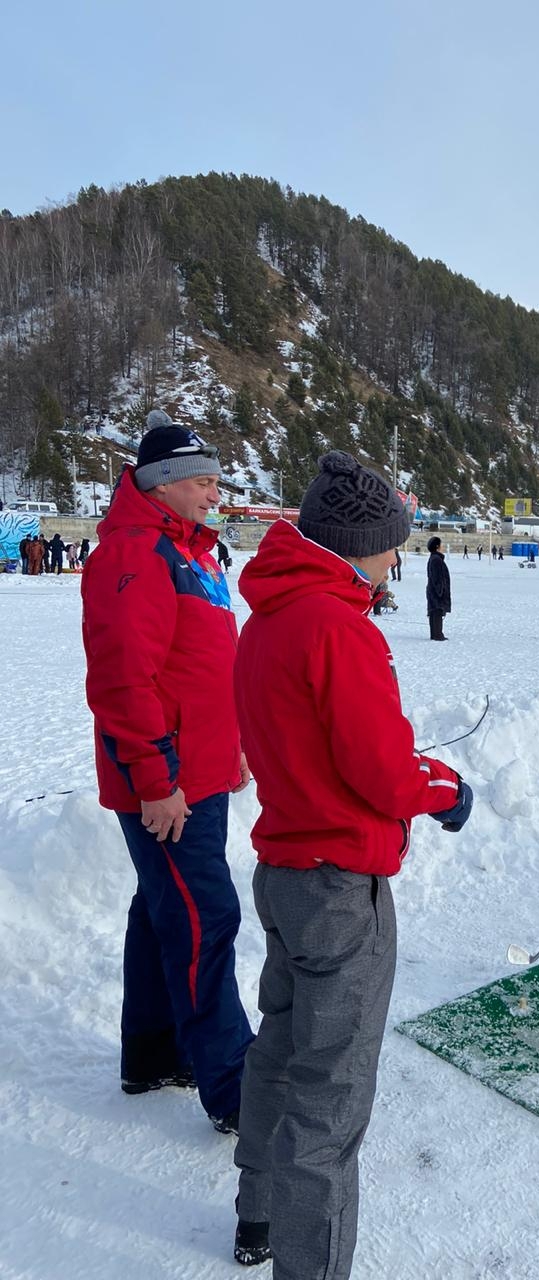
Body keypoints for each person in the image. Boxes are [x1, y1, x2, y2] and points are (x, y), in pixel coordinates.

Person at [231, 451, 473, 1275]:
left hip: (284, 870)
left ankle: (256, 1213)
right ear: (362, 542)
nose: (399, 559)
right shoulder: (338, 626)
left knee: (282, 1045)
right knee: (331, 1095)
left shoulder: (271, 614)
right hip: (337, 885)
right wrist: (444, 789)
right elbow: (381, 771)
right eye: (392, 544)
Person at [80, 409, 253, 1132]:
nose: (218, 493)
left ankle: (154, 1053)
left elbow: (198, 665)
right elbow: (124, 679)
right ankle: (237, 1088)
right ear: (166, 483)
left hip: (199, 773)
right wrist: (155, 780)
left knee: (163, 913)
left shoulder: (188, 549)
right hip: (169, 781)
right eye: (206, 481)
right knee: (204, 918)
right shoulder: (135, 554)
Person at [426, 535, 452, 640]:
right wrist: (440, 592)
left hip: (433, 591)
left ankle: (436, 633)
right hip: (436, 592)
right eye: (441, 544)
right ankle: (437, 634)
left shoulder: (434, 558)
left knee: (435, 612)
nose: (442, 546)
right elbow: (437, 578)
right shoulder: (436, 559)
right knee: (437, 611)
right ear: (437, 546)